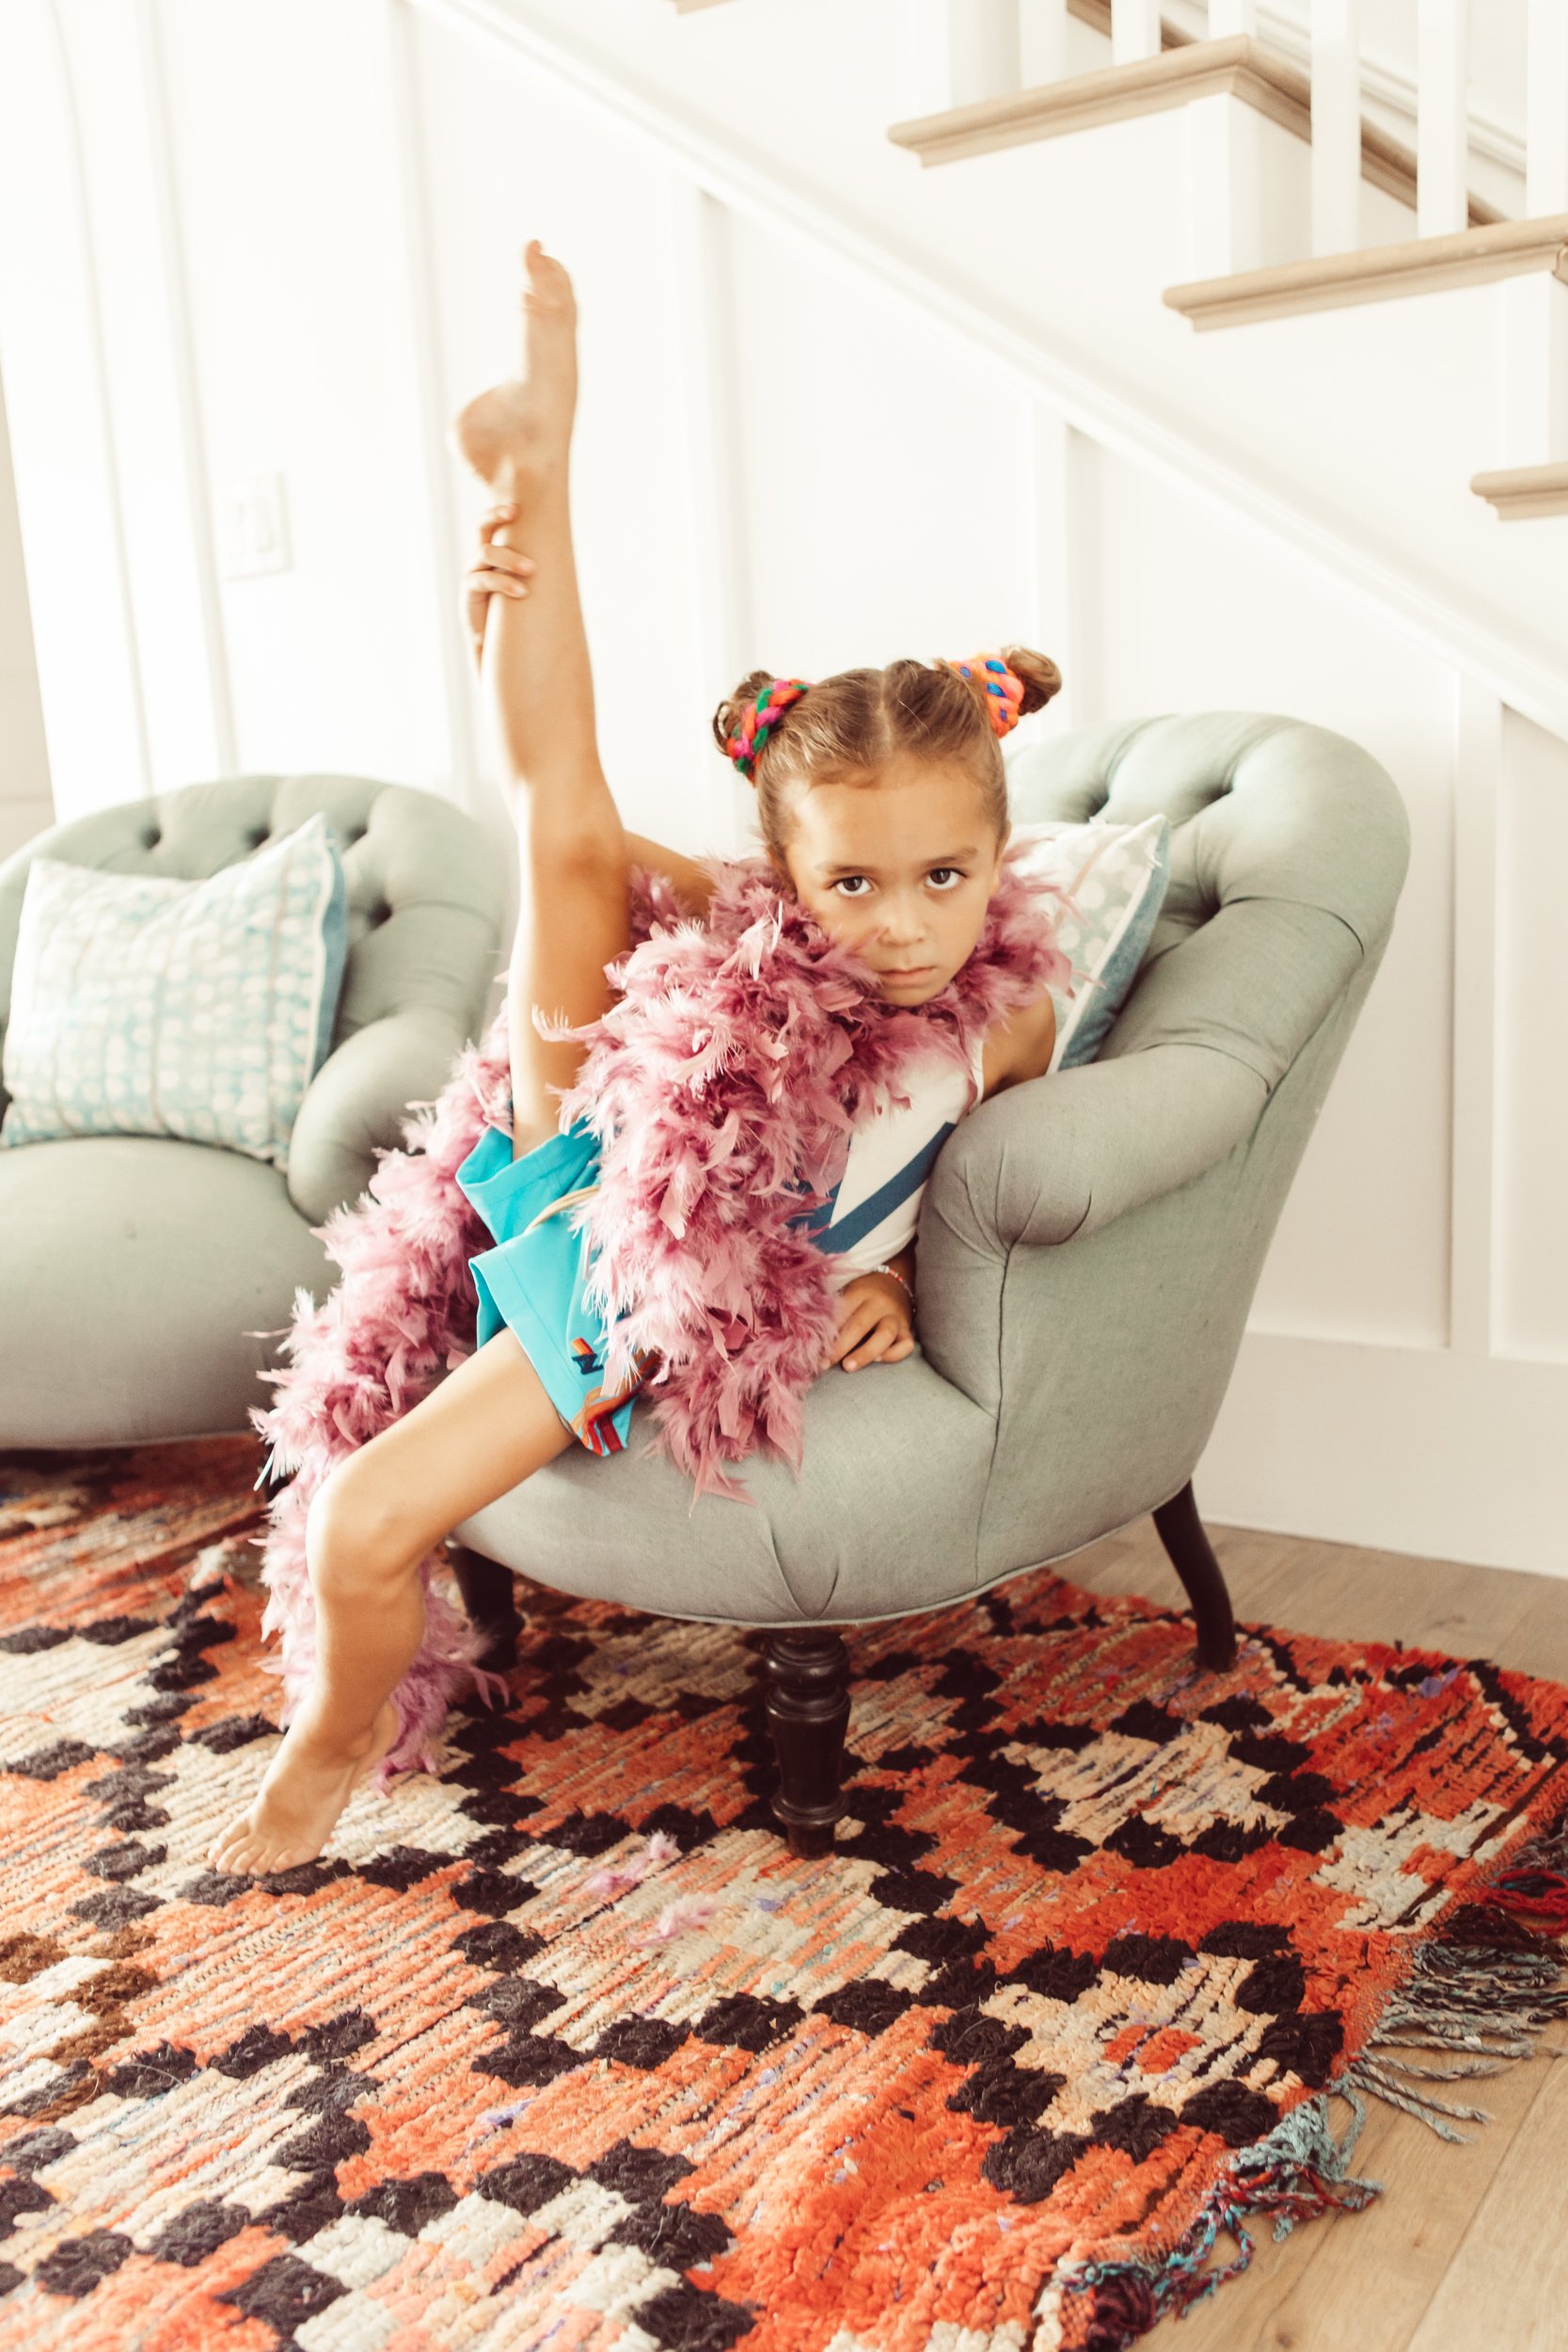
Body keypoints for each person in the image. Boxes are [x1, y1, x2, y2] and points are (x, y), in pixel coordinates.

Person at [207, 238, 1060, 1878]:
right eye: (852, 884)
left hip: (732, 1288)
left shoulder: (1009, 1018)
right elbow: (586, 833)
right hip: (610, 1214)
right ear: (790, 877)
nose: (899, 927)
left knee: (381, 1518)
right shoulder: (756, 941)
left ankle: (326, 1746)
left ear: (997, 855)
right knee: (569, 833)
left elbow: (982, 1186)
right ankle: (544, 472)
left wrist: (901, 1286)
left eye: (943, 877)